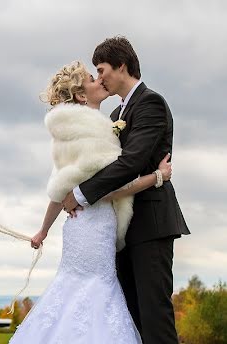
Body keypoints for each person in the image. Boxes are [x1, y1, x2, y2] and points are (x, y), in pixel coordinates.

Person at [10, 60, 172, 343]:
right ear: (82, 96)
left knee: (74, 290)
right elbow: (113, 185)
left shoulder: (69, 134)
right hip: (95, 227)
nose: (99, 80)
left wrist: (43, 230)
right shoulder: (94, 135)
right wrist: (158, 176)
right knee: (96, 294)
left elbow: (58, 189)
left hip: (78, 227)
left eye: (99, 73)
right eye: (91, 77)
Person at [62, 37, 190, 343]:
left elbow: (132, 161)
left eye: (101, 68)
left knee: (154, 318)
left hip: (151, 224)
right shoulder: (114, 115)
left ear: (121, 66)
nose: (99, 76)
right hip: (119, 230)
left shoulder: (150, 103)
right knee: (129, 319)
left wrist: (80, 194)